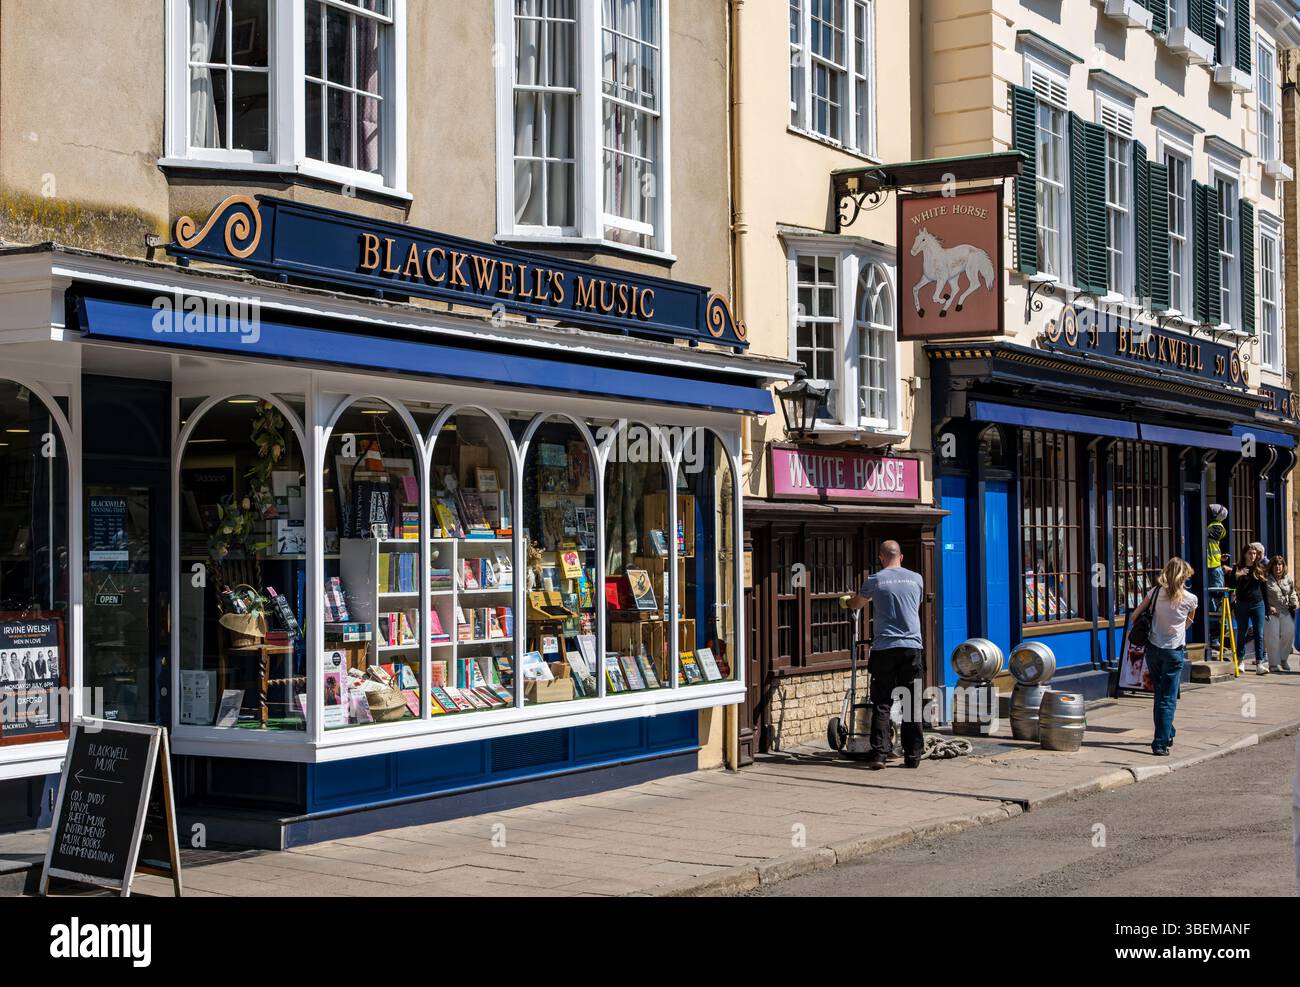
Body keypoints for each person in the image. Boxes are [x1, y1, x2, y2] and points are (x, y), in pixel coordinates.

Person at [838, 540, 926, 770]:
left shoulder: (875, 580)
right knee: (912, 703)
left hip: (885, 648)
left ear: (881, 557)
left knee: (882, 703)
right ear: (901, 557)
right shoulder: (917, 579)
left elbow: (858, 603)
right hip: (911, 647)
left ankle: (879, 755)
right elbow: (914, 605)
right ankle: (913, 756)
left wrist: (848, 602)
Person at [1128, 558, 1197, 757]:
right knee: (1167, 698)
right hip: (1174, 651)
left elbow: (1135, 616)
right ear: (1185, 576)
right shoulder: (1191, 599)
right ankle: (1160, 743)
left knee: (1161, 695)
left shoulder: (1155, 593)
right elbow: (1189, 622)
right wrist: (1177, 630)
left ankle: (1168, 732)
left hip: (1154, 649)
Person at [1232, 542, 1269, 674]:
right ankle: (1240, 661)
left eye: (1254, 553)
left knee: (1259, 634)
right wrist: (1237, 575)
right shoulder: (1237, 567)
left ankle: (1260, 663)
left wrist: (1268, 608)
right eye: (1250, 553)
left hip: (1258, 604)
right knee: (1242, 633)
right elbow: (1231, 585)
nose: (1253, 556)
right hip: (1242, 604)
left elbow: (1264, 590)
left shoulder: (1260, 568)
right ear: (1244, 554)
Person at [1263, 555, 1297, 674]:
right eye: (1275, 564)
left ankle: (1283, 659)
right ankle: (1273, 663)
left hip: (1285, 610)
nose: (1278, 567)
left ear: (1283, 566)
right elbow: (1262, 595)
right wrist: (1268, 606)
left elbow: (1292, 592)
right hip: (1271, 612)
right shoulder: (1266, 579)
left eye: (1280, 564)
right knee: (1272, 637)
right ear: (1271, 566)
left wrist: (1294, 602)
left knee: (1289, 632)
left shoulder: (1287, 578)